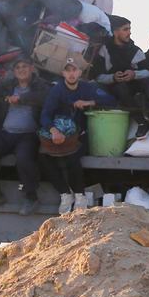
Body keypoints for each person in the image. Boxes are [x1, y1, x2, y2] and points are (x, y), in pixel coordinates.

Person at [0, 59, 50, 215]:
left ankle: (31, 197)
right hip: (6, 133)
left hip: (29, 134)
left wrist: (22, 99)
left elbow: (45, 97)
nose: (21, 69)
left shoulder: (40, 85)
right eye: (17, 67)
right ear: (14, 72)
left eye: (24, 66)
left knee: (24, 158)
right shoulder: (7, 86)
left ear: (32, 68)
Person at [40, 60, 117, 214]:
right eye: (68, 70)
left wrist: (89, 102)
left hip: (80, 134)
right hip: (59, 134)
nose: (71, 73)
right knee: (42, 158)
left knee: (73, 157)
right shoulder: (57, 90)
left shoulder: (88, 87)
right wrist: (54, 130)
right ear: (63, 73)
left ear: (80, 73)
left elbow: (111, 100)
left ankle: (80, 196)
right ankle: (65, 194)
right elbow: (45, 115)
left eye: (74, 70)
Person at [92, 15, 149, 133]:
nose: (129, 33)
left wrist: (134, 74)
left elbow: (148, 73)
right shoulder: (105, 50)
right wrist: (113, 78)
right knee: (119, 88)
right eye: (125, 29)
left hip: (132, 85)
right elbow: (97, 76)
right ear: (115, 32)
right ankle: (141, 122)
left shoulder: (135, 51)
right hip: (112, 87)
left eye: (129, 29)